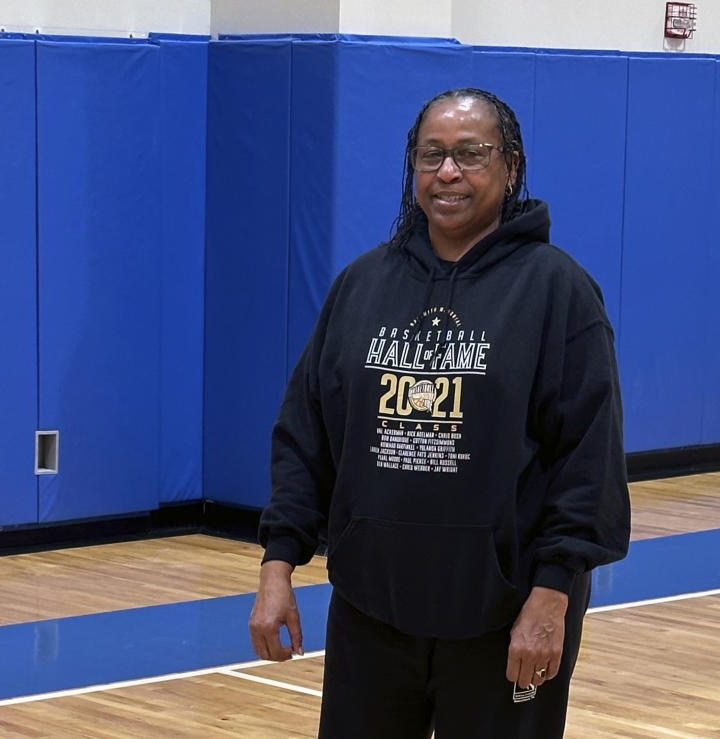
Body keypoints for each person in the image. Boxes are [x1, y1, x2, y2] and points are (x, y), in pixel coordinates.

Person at [249, 87, 630, 738]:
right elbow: (305, 432)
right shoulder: (362, 286)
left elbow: (586, 459)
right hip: (372, 612)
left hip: (502, 618)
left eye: (470, 154)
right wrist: (277, 563)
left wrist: (553, 594)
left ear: (510, 166)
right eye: (431, 156)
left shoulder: (557, 291)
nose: (447, 173)